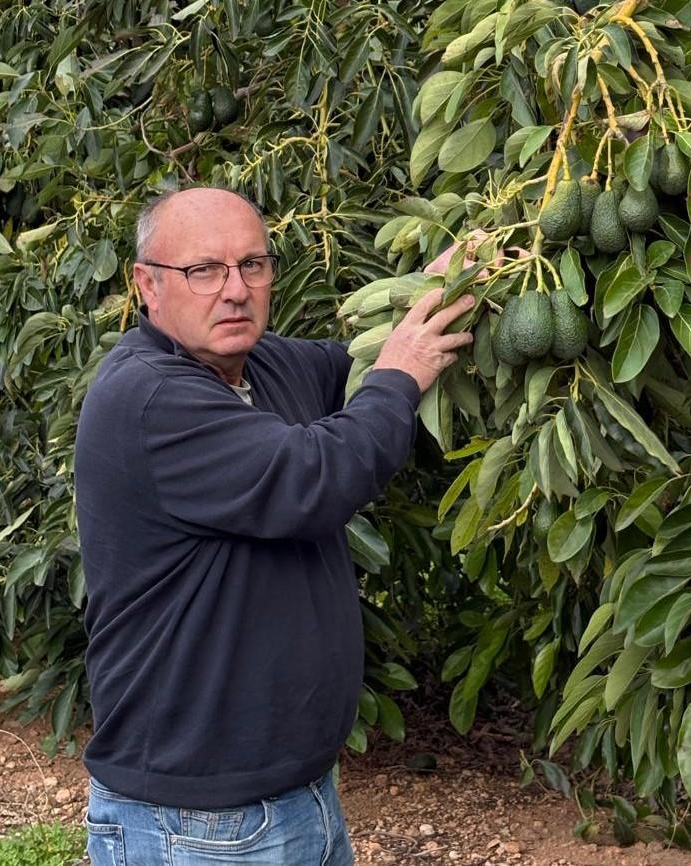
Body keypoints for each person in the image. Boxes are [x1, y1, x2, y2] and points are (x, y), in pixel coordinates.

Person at [73, 186, 474, 865]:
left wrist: (444, 285)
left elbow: (362, 361)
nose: (234, 290)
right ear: (148, 285)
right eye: (205, 270)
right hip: (198, 823)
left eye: (252, 265)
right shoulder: (149, 399)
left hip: (296, 795)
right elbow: (316, 475)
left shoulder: (263, 365)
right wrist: (402, 374)